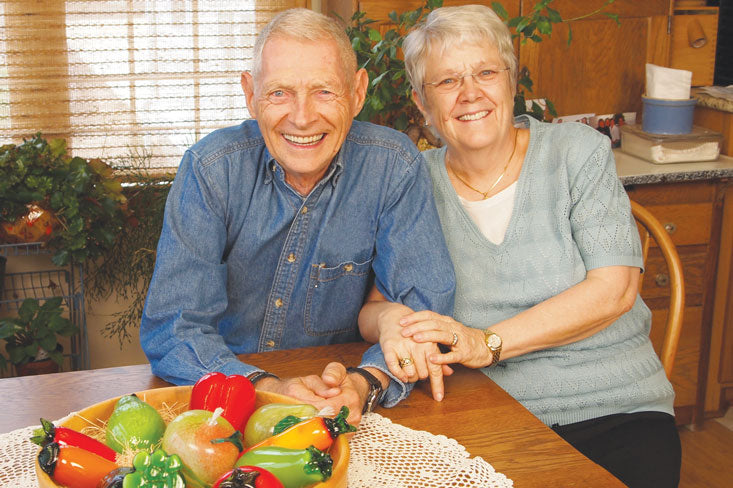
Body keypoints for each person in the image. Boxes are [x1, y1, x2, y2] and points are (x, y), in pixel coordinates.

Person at [359, 5, 680, 487]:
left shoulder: (577, 152)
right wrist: (391, 322)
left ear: (511, 82)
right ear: (422, 104)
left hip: (616, 406)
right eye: (447, 81)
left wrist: (486, 342)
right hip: (480, 412)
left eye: (486, 72)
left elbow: (615, 290)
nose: (471, 93)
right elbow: (374, 310)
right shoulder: (413, 183)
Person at [139, 8, 455, 423]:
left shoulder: (393, 165)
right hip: (228, 405)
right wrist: (269, 389)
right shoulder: (211, 169)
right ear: (251, 95)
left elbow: (420, 309)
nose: (302, 117)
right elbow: (174, 327)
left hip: (341, 397)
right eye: (279, 93)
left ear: (357, 92)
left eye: (324, 91)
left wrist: (364, 383)